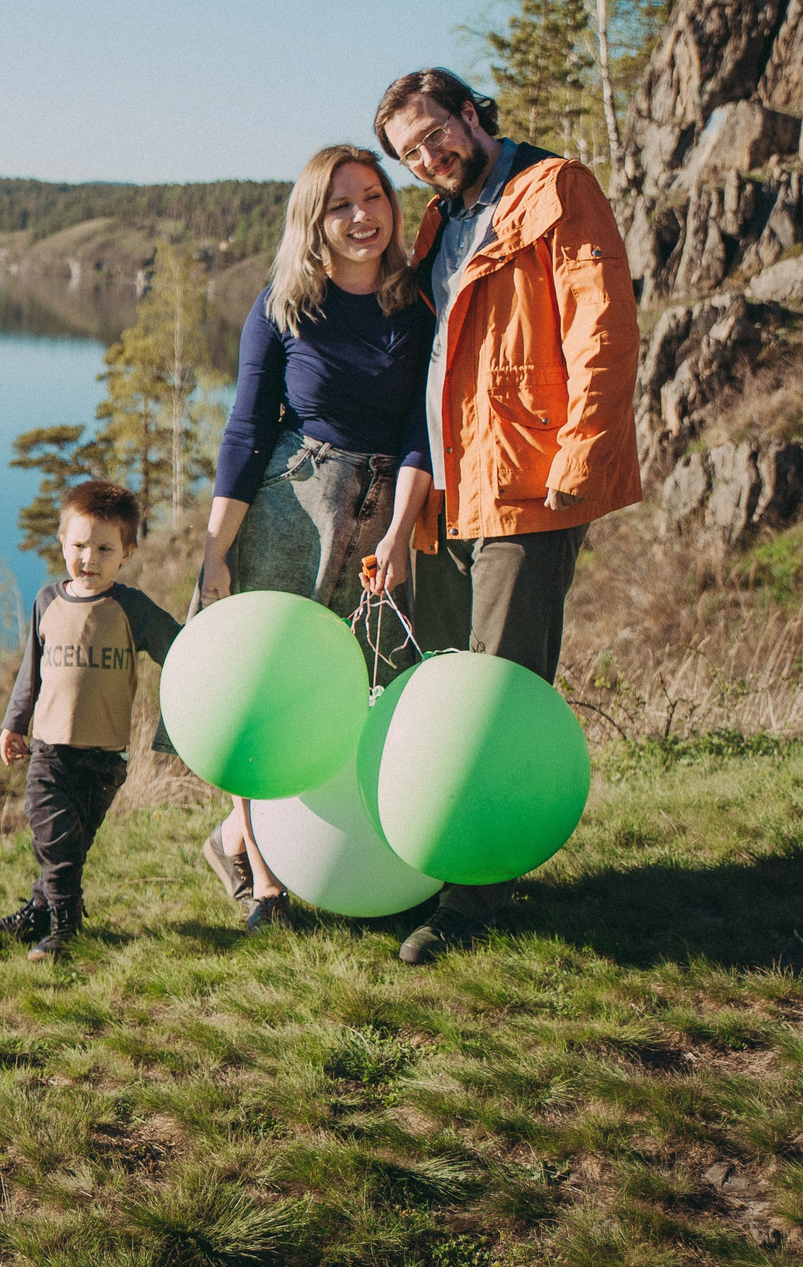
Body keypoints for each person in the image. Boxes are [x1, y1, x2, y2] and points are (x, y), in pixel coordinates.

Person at [373, 67, 641, 964]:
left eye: (434, 134)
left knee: (500, 693)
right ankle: (442, 855)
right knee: (450, 681)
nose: (427, 157)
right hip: (455, 493)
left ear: (471, 113)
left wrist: (580, 455)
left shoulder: (554, 188)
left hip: (528, 484)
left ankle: (473, 898)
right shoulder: (442, 221)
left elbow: (602, 327)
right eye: (410, 152)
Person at [194, 144, 435, 932]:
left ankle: (254, 839)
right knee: (268, 690)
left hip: (379, 516)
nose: (363, 215)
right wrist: (214, 548)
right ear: (314, 219)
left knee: (352, 694)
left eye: (374, 196)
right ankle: (264, 880)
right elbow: (245, 430)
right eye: (341, 204)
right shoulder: (282, 306)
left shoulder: (416, 305)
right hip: (288, 510)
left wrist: (399, 531)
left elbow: (417, 435)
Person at [0, 479, 182, 961]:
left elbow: (181, 651)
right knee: (54, 836)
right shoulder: (48, 601)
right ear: (62, 543)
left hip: (104, 757)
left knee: (68, 848)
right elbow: (31, 670)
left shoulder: (131, 609)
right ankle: (64, 928)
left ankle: (37, 915)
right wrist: (13, 723)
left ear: (126, 552)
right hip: (49, 749)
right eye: (80, 545)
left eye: (105, 548)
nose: (90, 558)